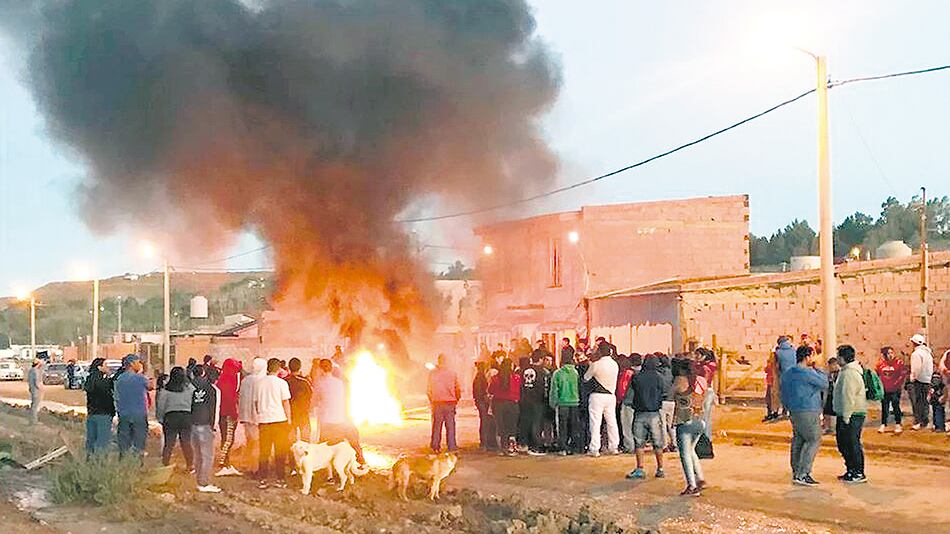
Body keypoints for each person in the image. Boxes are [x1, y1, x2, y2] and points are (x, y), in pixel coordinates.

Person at [781, 345, 827, 486]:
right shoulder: (807, 373)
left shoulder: (788, 373)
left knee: (799, 440)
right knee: (813, 439)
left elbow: (782, 391)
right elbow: (824, 383)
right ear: (808, 357)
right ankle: (803, 473)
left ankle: (796, 471)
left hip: (794, 410)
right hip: (808, 409)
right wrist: (818, 368)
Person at [314, 359, 366, 465]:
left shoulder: (319, 383)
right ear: (331, 369)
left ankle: (328, 470)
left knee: (325, 446)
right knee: (353, 442)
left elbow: (314, 401)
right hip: (342, 419)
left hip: (327, 421)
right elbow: (346, 399)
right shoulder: (340, 383)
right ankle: (361, 462)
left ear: (320, 369)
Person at [626, 356, 669, 479]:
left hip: (640, 413)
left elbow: (629, 396)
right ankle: (660, 468)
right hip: (655, 413)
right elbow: (664, 393)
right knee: (658, 443)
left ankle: (640, 468)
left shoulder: (637, 377)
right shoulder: (660, 378)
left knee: (639, 442)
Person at [833, 345, 868, 484]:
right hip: (849, 413)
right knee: (844, 443)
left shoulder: (849, 373)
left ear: (843, 357)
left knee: (851, 443)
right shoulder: (846, 371)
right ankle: (851, 470)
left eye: (838, 356)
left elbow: (848, 396)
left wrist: (846, 416)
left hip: (852, 414)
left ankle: (857, 472)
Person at [255, 358, 292, 489]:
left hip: (264, 421)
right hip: (279, 420)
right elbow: (285, 402)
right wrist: (289, 419)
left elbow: (256, 402)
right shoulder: (282, 383)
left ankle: (263, 479)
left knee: (264, 451)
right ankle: (280, 479)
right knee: (280, 451)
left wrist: (259, 414)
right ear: (278, 369)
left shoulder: (259, 383)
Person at [672, 372, 705, 497]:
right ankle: (699, 478)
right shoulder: (698, 381)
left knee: (685, 455)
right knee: (691, 451)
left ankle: (692, 485)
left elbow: (669, 396)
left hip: (684, 422)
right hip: (699, 421)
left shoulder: (679, 381)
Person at [156, 366, 195, 469]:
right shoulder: (189, 388)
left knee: (169, 443)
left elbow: (161, 406)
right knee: (186, 442)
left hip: (171, 417)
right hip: (186, 416)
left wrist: (160, 419)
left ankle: (165, 464)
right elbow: (194, 400)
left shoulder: (166, 390)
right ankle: (190, 465)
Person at [585, 345, 620, 457]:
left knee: (595, 423)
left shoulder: (596, 365)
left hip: (597, 396)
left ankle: (594, 449)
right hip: (611, 395)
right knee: (611, 422)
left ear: (600, 352)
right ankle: (614, 446)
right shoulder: (615, 364)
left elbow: (586, 378)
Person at [191, 365, 222, 493]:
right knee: (207, 456)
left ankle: (200, 481)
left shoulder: (189, 387)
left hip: (191, 424)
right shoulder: (211, 389)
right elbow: (213, 409)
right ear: (203, 373)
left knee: (197, 454)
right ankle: (203, 483)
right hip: (205, 424)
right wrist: (214, 426)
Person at [115, 356, 152, 458]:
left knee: (124, 444)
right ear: (131, 364)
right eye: (138, 362)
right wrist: (143, 371)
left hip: (123, 414)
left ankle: (124, 464)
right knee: (139, 443)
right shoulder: (140, 378)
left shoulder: (119, 379)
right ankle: (137, 465)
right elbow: (150, 386)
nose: (139, 364)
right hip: (139, 415)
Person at [427, 353, 461, 452]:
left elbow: (429, 390)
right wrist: (456, 400)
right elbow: (457, 388)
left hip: (437, 402)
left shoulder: (433, 373)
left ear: (439, 361)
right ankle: (452, 446)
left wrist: (432, 401)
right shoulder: (452, 373)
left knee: (437, 425)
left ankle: (435, 446)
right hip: (450, 402)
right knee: (450, 426)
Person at [549, 349, 580, 455]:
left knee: (562, 427)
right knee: (574, 426)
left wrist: (552, 403)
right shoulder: (576, 372)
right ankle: (573, 447)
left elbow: (554, 390)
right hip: (575, 402)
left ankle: (563, 448)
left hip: (562, 403)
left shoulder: (557, 373)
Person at [238, 357, 267, 475]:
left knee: (250, 441)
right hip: (257, 417)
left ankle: (248, 464)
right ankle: (255, 468)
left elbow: (241, 398)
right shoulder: (262, 381)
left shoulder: (245, 380)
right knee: (257, 443)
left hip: (246, 416)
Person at [215, 358, 243, 476]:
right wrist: (234, 413)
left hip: (223, 413)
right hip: (228, 413)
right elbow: (229, 398)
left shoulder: (223, 378)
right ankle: (224, 463)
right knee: (228, 439)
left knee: (226, 438)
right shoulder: (229, 380)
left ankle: (226, 462)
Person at [488, 359, 521, 456]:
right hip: (512, 404)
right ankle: (511, 448)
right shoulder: (516, 378)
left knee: (501, 427)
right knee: (511, 426)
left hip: (498, 404)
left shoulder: (495, 378)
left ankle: (502, 448)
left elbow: (490, 390)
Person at [519, 351, 550, 455]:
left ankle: (524, 444)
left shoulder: (523, 370)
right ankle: (535, 446)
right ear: (541, 359)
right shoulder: (543, 372)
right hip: (537, 401)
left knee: (525, 422)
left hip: (524, 400)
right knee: (536, 423)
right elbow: (545, 388)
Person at [83, 357, 114, 455]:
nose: (108, 367)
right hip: (104, 413)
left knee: (91, 440)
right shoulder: (102, 381)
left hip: (91, 413)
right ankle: (100, 463)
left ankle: (89, 462)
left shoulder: (90, 379)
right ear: (99, 367)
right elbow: (107, 394)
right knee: (102, 441)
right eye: (105, 365)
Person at [875, 346, 907, 433]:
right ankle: (883, 424)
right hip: (885, 389)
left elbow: (902, 375)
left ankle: (898, 424)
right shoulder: (880, 364)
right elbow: (877, 375)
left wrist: (896, 385)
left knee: (895, 406)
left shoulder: (899, 363)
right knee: (884, 407)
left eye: (892, 353)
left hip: (895, 389)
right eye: (888, 353)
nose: (890, 355)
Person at [908, 334, 934, 430]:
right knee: (925, 401)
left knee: (918, 402)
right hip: (927, 379)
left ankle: (919, 421)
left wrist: (913, 378)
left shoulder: (916, 354)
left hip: (919, 380)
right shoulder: (928, 353)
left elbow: (916, 368)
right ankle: (925, 420)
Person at [285, 358, 313, 442]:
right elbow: (311, 395)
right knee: (305, 442)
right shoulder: (305, 381)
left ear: (289, 368)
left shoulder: (285, 381)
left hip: (290, 415)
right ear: (300, 367)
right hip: (303, 414)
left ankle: (291, 455)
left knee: (291, 442)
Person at [694, 348, 718, 440]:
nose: (696, 357)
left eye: (698, 355)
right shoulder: (710, 365)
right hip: (708, 391)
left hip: (705, 391)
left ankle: (705, 437)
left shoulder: (705, 368)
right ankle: (707, 437)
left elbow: (705, 381)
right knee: (705, 416)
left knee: (703, 416)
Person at [473, 361, 495, 451]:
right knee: (485, 422)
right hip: (482, 402)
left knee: (484, 422)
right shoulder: (480, 377)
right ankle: (485, 443)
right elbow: (481, 391)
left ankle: (484, 442)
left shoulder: (478, 377)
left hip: (480, 401)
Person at [658, 355, 676, 452]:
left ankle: (664, 445)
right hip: (672, 401)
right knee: (671, 425)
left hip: (662, 401)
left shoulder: (658, 374)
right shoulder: (672, 373)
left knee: (663, 425)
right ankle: (674, 443)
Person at [775, 336, 796, 416]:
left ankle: (785, 410)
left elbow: (777, 366)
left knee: (784, 394)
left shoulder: (778, 352)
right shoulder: (794, 350)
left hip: (784, 375)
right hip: (794, 375)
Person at [822, 358, 840, 434]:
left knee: (837, 413)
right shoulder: (828, 374)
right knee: (826, 411)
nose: (831, 367)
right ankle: (827, 427)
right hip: (829, 394)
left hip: (837, 395)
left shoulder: (840, 373)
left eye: (832, 365)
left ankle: (836, 428)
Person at [27, 358, 44, 425]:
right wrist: (41, 389)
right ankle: (34, 421)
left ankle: (31, 420)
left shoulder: (30, 371)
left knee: (33, 406)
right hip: (36, 391)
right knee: (35, 406)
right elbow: (37, 383)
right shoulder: (35, 371)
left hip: (32, 390)